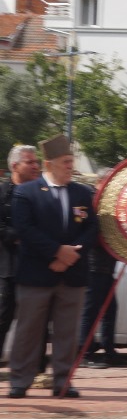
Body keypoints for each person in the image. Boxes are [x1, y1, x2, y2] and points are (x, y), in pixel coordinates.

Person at [8, 134, 98, 398]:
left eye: (71, 161)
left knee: (67, 332)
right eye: (65, 162)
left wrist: (71, 256)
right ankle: (20, 380)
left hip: (72, 274)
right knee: (28, 331)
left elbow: (92, 228)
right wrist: (57, 253)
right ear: (49, 164)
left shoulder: (83, 193)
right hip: (36, 274)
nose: (71, 166)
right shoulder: (26, 192)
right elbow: (25, 229)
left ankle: (62, 380)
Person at [1, 144, 43, 368]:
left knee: (39, 320)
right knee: (3, 317)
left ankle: (37, 370)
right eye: (30, 162)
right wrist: (20, 236)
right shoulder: (3, 193)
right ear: (15, 166)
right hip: (8, 267)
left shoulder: (43, 193)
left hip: (37, 267)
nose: (36, 166)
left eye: (36, 162)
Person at [78, 233, 126, 368]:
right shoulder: (98, 222)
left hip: (107, 270)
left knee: (110, 311)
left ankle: (109, 352)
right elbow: (93, 239)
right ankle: (85, 354)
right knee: (90, 312)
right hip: (94, 268)